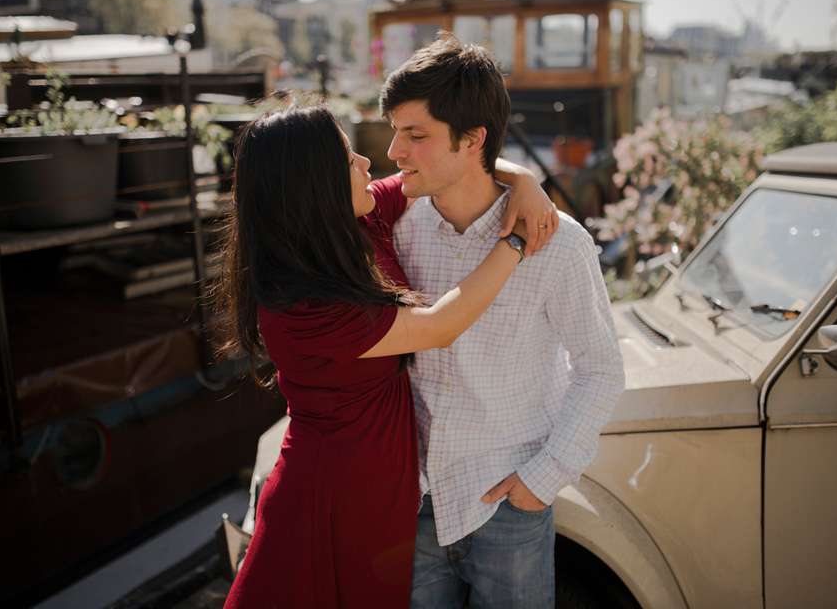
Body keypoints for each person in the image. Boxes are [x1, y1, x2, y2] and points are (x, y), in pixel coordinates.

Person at [216, 97, 556, 609]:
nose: (366, 164)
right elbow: (441, 325)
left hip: (375, 491)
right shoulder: (302, 305)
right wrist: (513, 242)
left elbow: (443, 164)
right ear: (316, 185)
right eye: (348, 160)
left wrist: (524, 179)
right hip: (333, 498)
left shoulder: (355, 223)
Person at [378, 31, 626, 608]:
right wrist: (523, 176)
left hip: (507, 506)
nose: (395, 151)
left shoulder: (560, 245)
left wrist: (542, 481)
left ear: (472, 140)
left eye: (415, 135)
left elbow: (600, 367)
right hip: (411, 503)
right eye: (395, 131)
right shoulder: (393, 227)